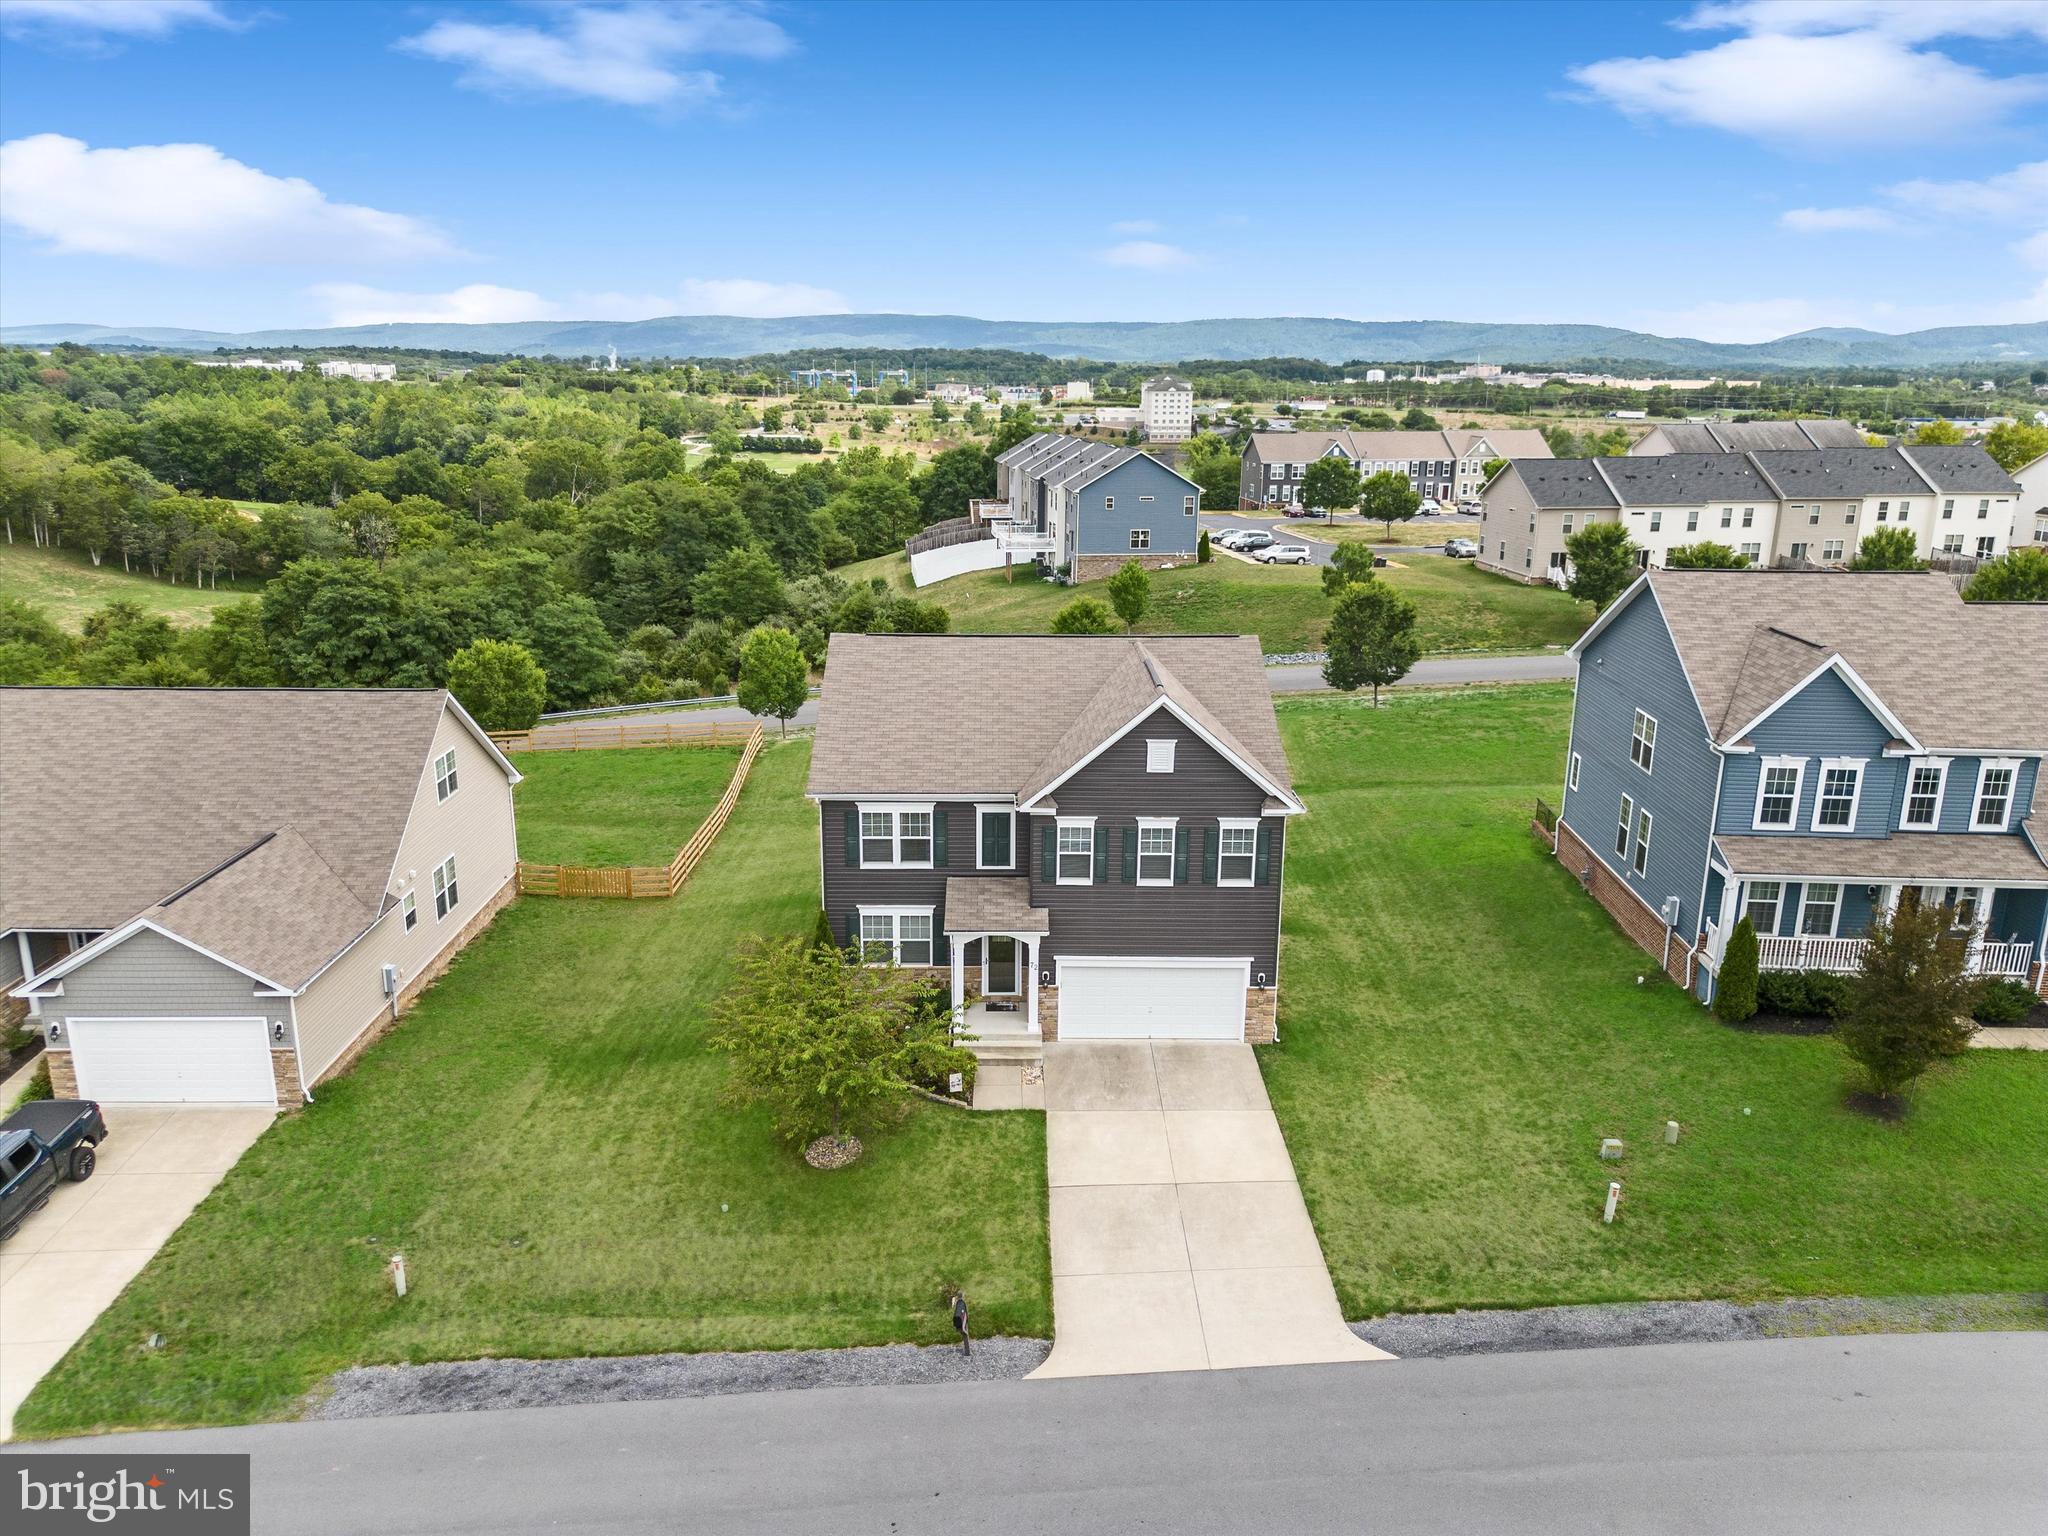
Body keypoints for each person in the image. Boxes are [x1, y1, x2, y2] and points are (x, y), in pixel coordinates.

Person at [952, 1291, 971, 1357]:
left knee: (963, 1335)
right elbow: (965, 1312)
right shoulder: (963, 1302)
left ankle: (967, 1351)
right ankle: (967, 1352)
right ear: (962, 1296)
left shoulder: (957, 1302)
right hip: (963, 1322)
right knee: (966, 1337)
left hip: (958, 1322)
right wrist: (967, 1319)